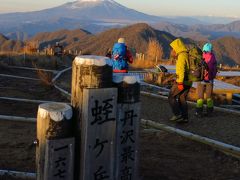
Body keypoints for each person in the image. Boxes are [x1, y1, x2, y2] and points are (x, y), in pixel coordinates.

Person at [168, 38, 192, 123]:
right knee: (182, 98)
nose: (172, 50)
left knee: (171, 96)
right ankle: (184, 117)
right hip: (189, 81)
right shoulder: (187, 54)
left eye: (173, 48)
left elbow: (181, 70)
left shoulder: (181, 56)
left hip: (182, 81)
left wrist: (180, 82)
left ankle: (177, 114)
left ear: (177, 47)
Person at [195, 43, 217, 117]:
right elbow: (214, 69)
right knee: (209, 98)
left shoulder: (200, 56)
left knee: (200, 97)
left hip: (201, 79)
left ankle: (199, 112)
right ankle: (209, 113)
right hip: (210, 80)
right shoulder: (213, 57)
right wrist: (212, 76)